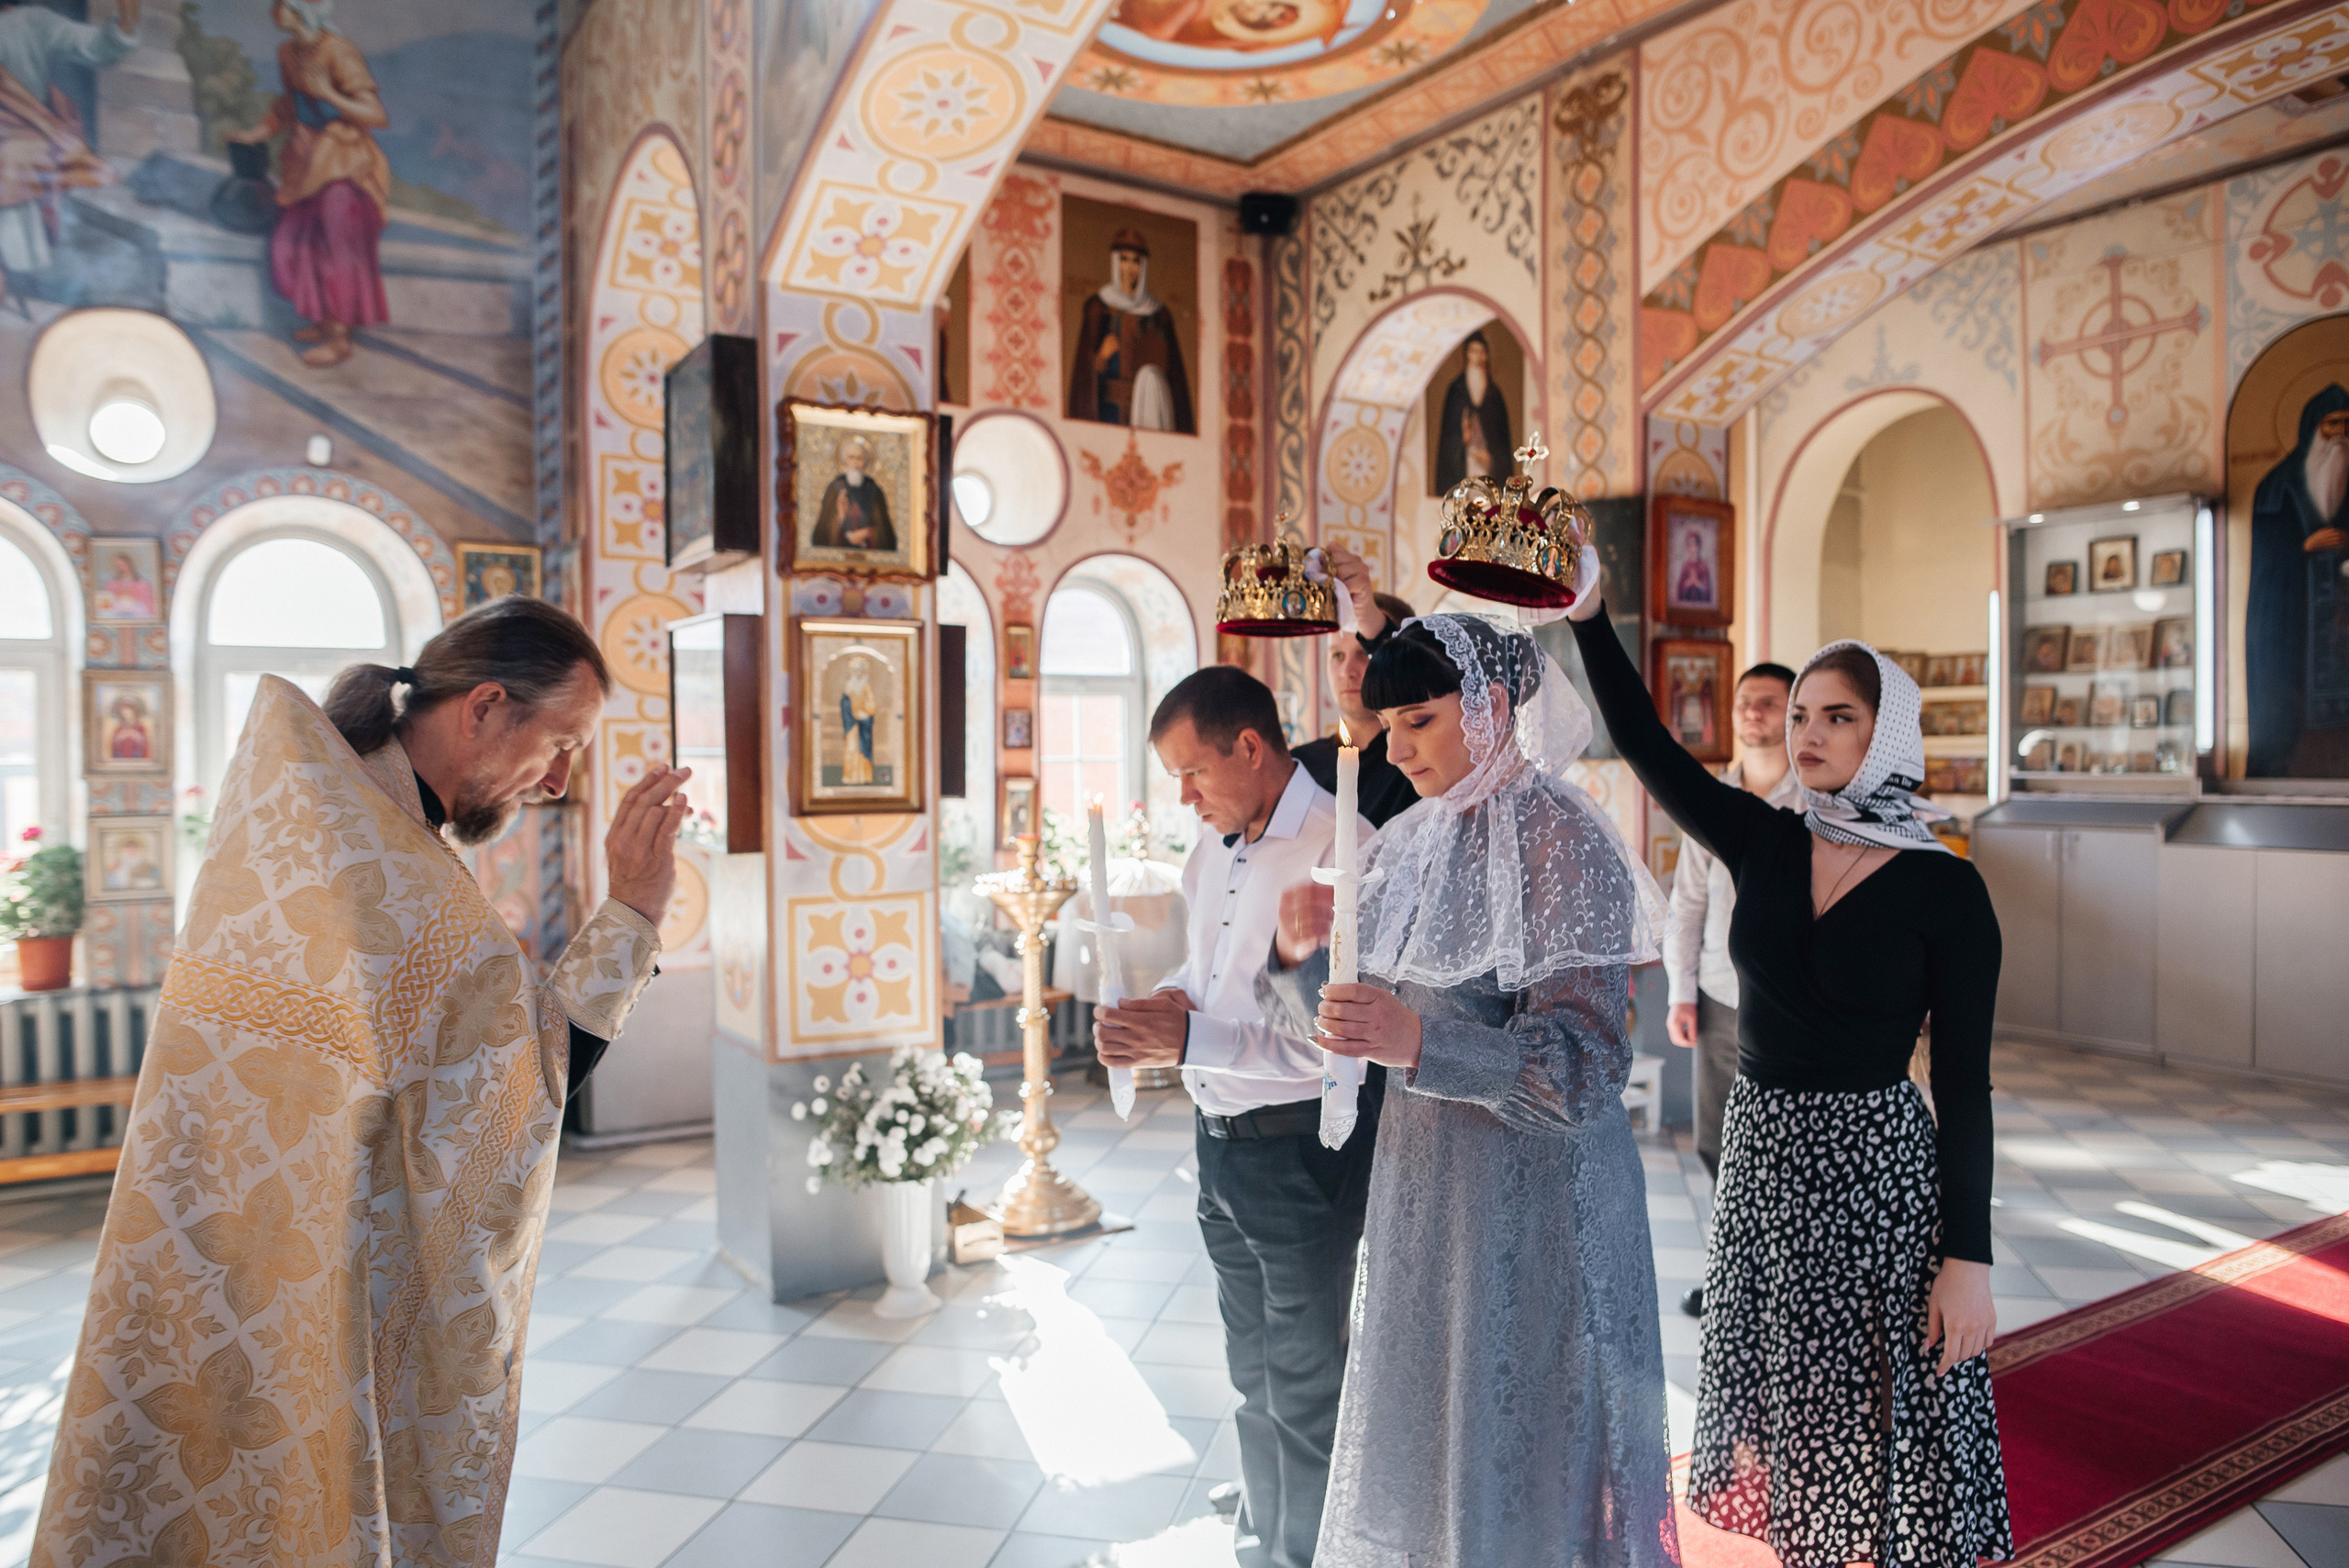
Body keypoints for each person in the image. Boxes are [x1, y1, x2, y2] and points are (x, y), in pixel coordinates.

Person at [37, 596, 692, 1566]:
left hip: (216, 1258)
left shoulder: (319, 812)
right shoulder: (389, 870)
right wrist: (634, 906)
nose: (556, 780)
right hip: (305, 1278)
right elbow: (529, 1086)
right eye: (559, 743)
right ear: (482, 707)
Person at [1564, 563, 2010, 1568]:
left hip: (1877, 1169)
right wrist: (1592, 615)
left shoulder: (1947, 891)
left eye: (1836, 716)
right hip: (1763, 1153)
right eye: (1800, 712)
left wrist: (1969, 1257)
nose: (1806, 733)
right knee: (1787, 1398)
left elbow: (1965, 1085)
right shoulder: (1761, 840)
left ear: (1883, 734)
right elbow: (1643, 742)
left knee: (1875, 1400)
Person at [1262, 612, 1675, 1568]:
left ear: (1488, 707)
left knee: (1528, 1460)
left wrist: (1422, 1043)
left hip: (1535, 1209)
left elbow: (1586, 1066)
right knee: (1433, 1448)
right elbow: (1353, 1028)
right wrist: (1303, 959)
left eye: (1418, 720)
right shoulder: (1407, 838)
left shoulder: (1564, 835)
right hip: (1424, 1199)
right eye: (1386, 726)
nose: (1395, 750)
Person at [1094, 665, 1372, 1568]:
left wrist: (1185, 1039)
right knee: (1251, 1370)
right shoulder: (1213, 846)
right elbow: (1205, 975)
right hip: (1219, 1148)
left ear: (1250, 746)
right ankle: (1263, 1533)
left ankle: (1307, 1554)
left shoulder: (1341, 850)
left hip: (1299, 1153)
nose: (1183, 796)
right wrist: (1157, 1010)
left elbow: (1323, 1047)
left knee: (1305, 1381)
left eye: (1192, 772)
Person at [1664, 661, 1797, 1318]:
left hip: (1792, 1005)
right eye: (1746, 701)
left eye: (1769, 703)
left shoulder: (1817, 801)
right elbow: (1686, 903)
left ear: (1793, 713)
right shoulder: (1714, 797)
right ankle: (1732, 1279)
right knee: (1718, 1141)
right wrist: (1679, 994)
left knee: (1784, 1147)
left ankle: (1783, 1281)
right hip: (1718, 996)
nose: (1753, 713)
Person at [225, 0, 391, 370]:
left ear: (303, 9)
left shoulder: (339, 52)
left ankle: (340, 339)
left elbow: (376, 115)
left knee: (337, 249)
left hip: (342, 164)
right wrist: (256, 133)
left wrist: (329, 94)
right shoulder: (288, 52)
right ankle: (321, 320)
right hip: (304, 165)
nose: (274, 10)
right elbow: (288, 106)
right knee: (292, 244)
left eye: (283, 4)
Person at [0, 0, 134, 303]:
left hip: (21, 135)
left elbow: (96, 46)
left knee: (17, 158)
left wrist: (127, 17)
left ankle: (22, 274)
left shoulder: (29, 23)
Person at [2246, 384, 2349, 777]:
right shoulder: (2276, 485)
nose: (2340, 434)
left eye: (2346, 424)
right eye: (2331, 424)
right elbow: (2265, 562)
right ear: (2312, 429)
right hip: (2292, 621)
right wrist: (2304, 546)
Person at [1291, 542, 1419, 828]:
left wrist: (1369, 617)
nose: (1348, 671)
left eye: (1365, 653)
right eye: (1337, 655)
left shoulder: (1415, 764)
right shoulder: (1300, 765)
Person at [1067, 228, 1195, 433]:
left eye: (1136, 261)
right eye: (1124, 259)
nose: (1130, 268)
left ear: (1143, 266)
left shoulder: (1159, 314)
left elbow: (1175, 378)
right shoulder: (1098, 307)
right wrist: (1100, 357)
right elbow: (1083, 375)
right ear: (1115, 262)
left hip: (1150, 412)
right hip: (1110, 415)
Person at [1433, 331, 1512, 495]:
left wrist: (1492, 458)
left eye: (1481, 352)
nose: (1477, 357)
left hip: (1487, 469)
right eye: (1473, 351)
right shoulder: (1456, 391)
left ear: (1487, 355)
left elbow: (1502, 443)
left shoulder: (1494, 395)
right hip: (1464, 466)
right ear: (1466, 354)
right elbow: (1447, 441)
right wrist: (1462, 440)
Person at [812, 436, 897, 551]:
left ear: (865, 461)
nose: (855, 463)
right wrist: (840, 518)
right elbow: (822, 532)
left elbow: (885, 533)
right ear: (844, 460)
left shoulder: (874, 491)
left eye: (859, 458)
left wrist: (868, 533)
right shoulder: (834, 489)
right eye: (851, 457)